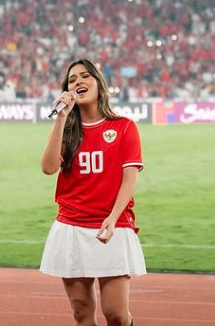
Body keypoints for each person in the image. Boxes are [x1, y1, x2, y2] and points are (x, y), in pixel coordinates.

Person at [39, 58, 145, 326]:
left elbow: (128, 179)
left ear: (99, 84)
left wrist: (113, 216)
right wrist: (61, 118)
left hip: (112, 226)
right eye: (72, 80)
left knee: (117, 315)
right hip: (71, 228)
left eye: (85, 76)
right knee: (82, 314)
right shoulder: (67, 131)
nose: (78, 82)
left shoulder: (124, 127)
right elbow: (48, 167)